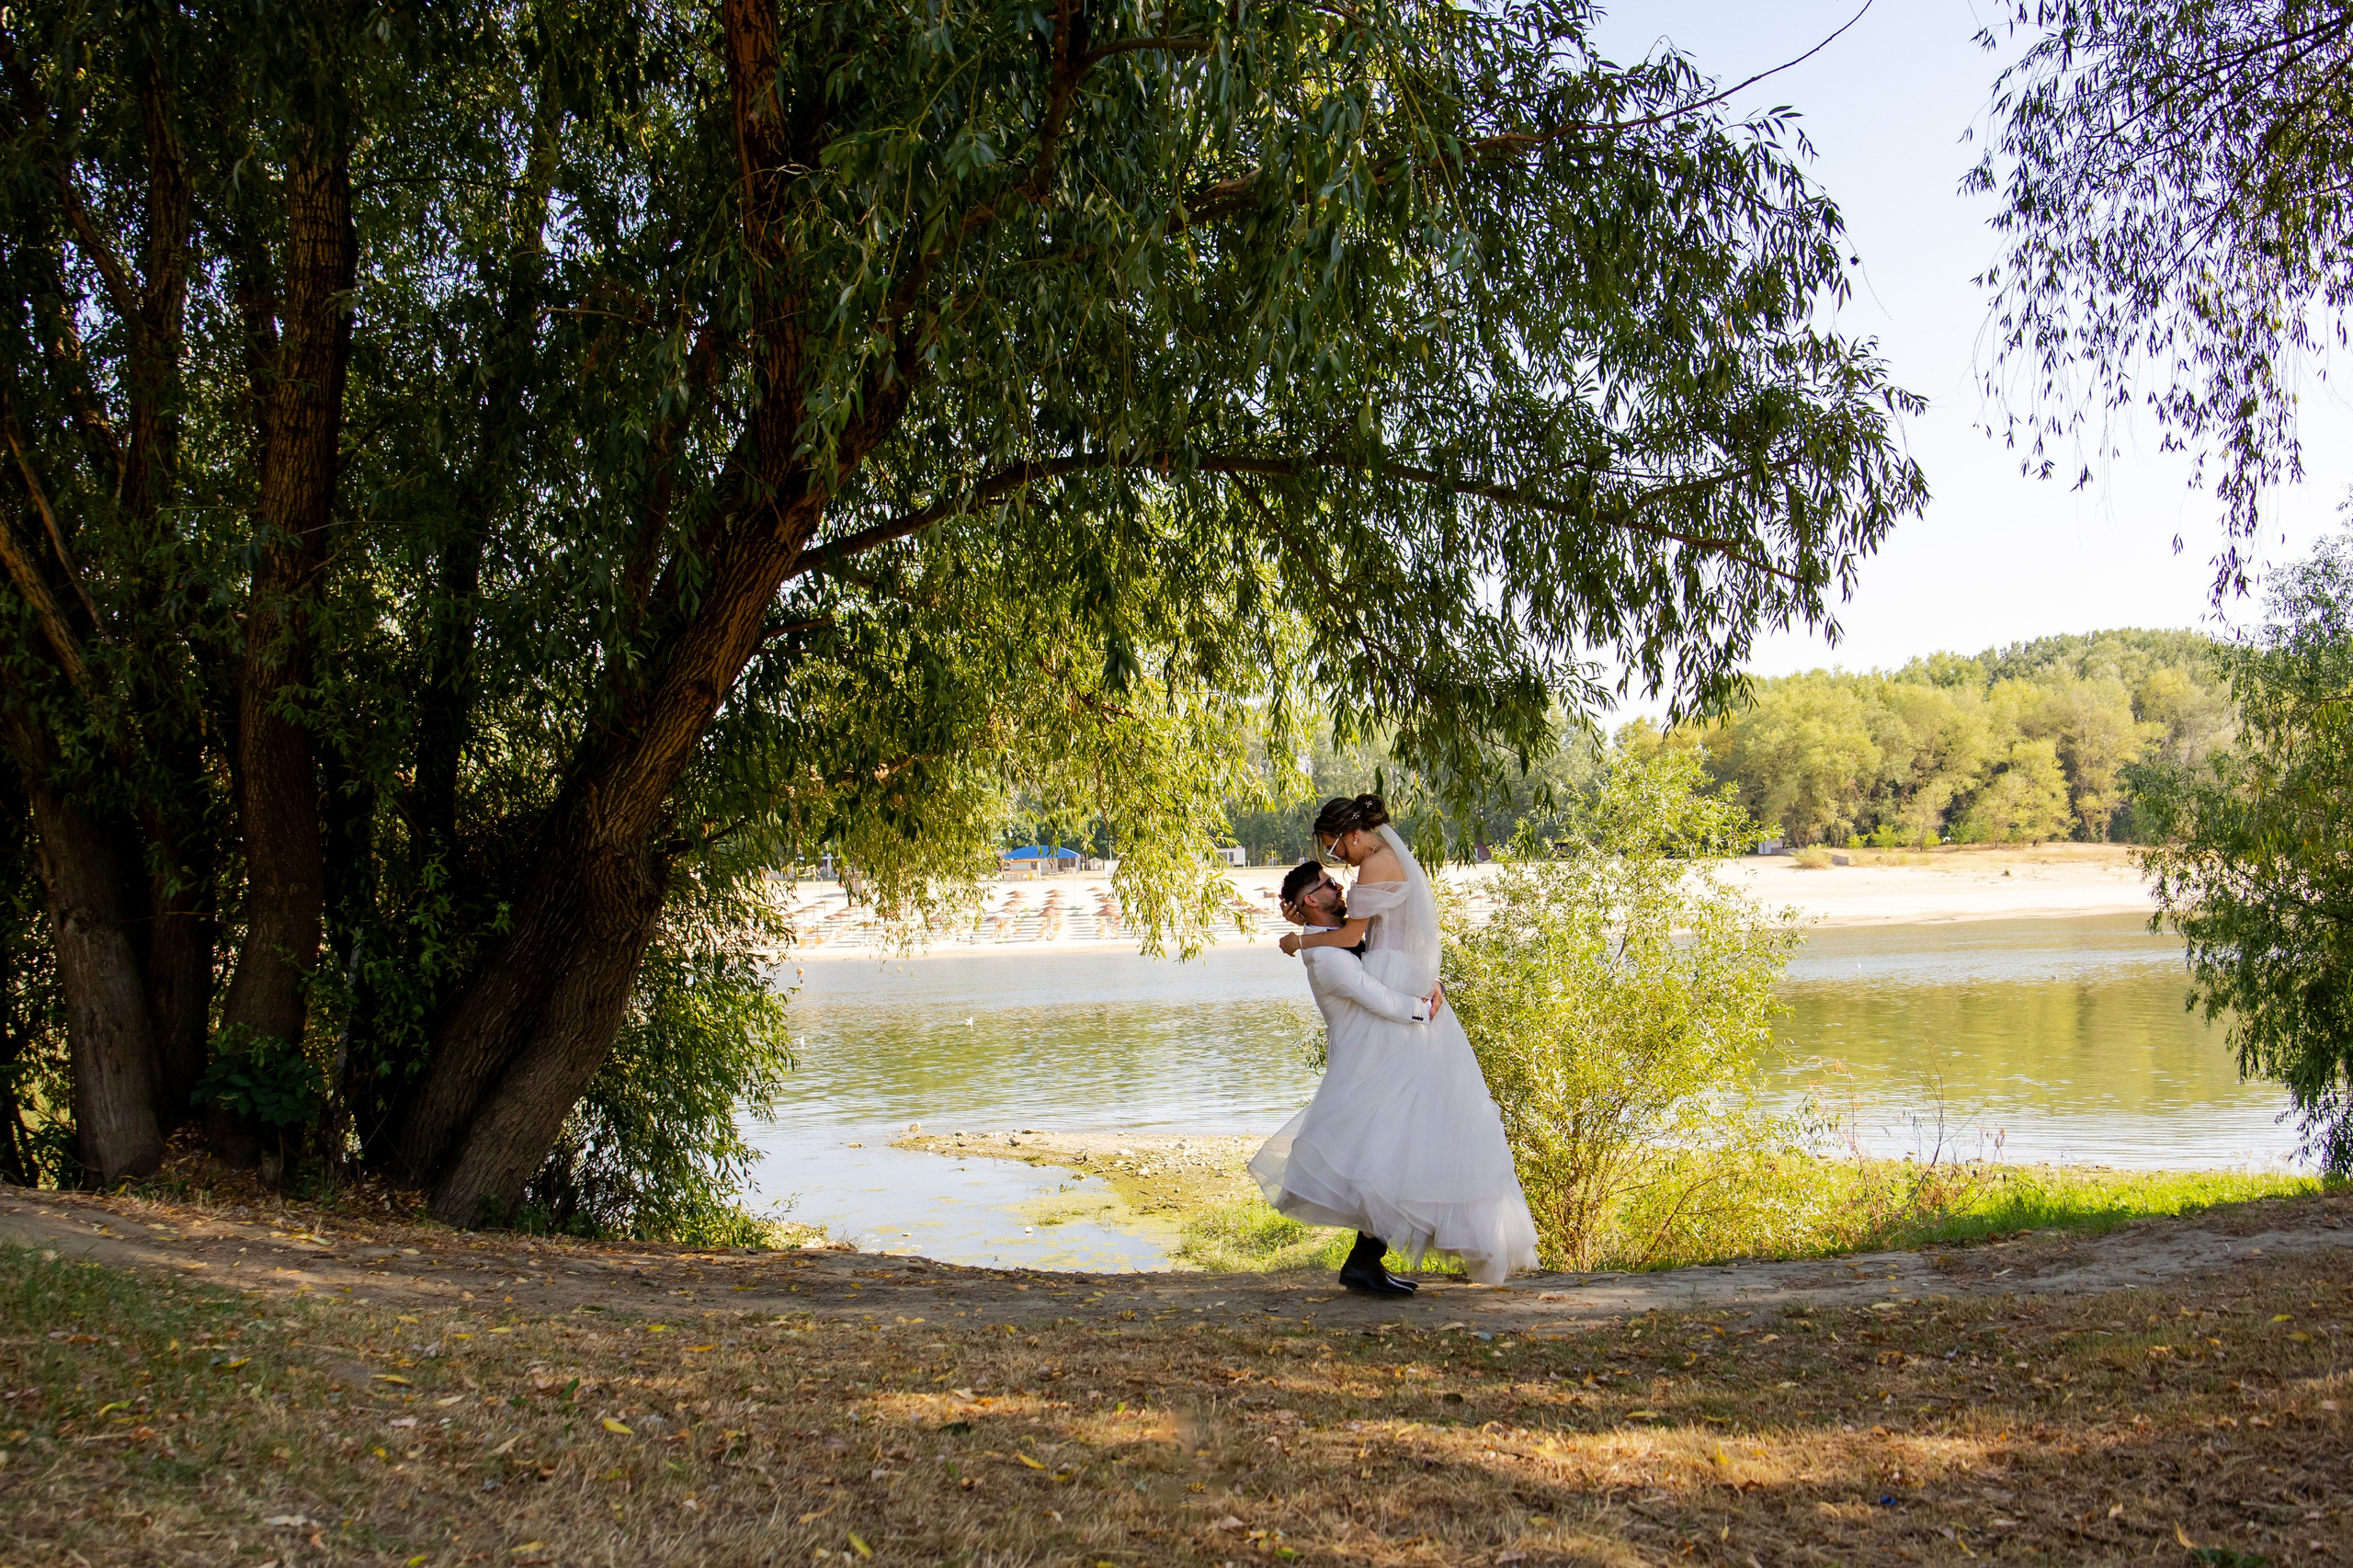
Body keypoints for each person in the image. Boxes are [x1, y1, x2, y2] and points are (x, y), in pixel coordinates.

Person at [1254, 793, 1540, 1288]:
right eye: (1327, 870)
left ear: (1355, 834)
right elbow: (1360, 953)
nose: (1337, 865)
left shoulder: (1367, 880)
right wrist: (1418, 998)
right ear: (1311, 900)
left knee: (1404, 1128)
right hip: (1396, 1009)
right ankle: (1372, 1258)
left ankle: (1369, 1259)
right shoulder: (1368, 885)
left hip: (1400, 1009)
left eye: (1335, 848)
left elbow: (1352, 940)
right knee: (1406, 1128)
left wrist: (1300, 936)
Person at [1250, 860, 1441, 1295]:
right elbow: (1377, 997)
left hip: (1379, 1061)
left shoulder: (1333, 939)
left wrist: (1431, 980)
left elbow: (1388, 952)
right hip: (1362, 1068)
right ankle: (1363, 1263)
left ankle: (1364, 1262)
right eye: (1329, 885)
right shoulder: (1324, 955)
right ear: (1312, 900)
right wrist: (1422, 1010)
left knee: (1387, 1159)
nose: (1340, 888)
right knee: (1383, 1160)